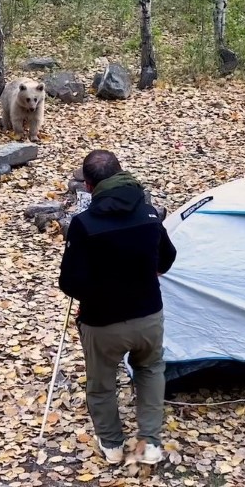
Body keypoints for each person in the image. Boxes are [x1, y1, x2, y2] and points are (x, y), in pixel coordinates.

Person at [58, 149, 177, 466]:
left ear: (88, 186)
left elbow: (70, 283)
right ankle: (149, 443)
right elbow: (167, 259)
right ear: (121, 174)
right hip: (148, 316)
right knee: (150, 370)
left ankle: (112, 445)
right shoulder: (149, 214)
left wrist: (89, 293)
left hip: (102, 322)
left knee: (101, 384)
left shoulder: (84, 224)